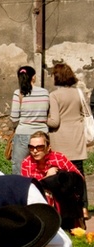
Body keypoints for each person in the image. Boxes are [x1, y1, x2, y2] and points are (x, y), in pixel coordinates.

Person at [47, 62, 89, 220]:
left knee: (63, 176)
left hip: (60, 140)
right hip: (77, 138)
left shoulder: (54, 95)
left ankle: (66, 207)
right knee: (79, 174)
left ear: (57, 76)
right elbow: (86, 112)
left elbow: (55, 122)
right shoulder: (78, 92)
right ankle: (83, 208)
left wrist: (44, 119)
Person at [21, 130, 84, 230]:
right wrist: (48, 177)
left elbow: (79, 177)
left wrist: (59, 175)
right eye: (31, 147)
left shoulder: (59, 158)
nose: (35, 151)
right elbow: (27, 188)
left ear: (48, 147)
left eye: (40, 147)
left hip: (65, 202)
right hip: (41, 204)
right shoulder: (26, 163)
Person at [9, 66, 50, 175]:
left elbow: (14, 117)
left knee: (19, 166)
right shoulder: (45, 92)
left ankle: (20, 189)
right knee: (41, 166)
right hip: (42, 134)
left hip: (23, 133)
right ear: (33, 77)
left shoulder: (18, 93)